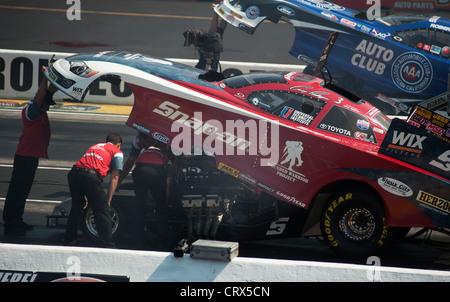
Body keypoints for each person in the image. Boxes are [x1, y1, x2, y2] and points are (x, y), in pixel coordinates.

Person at [3, 66, 57, 236]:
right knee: (17, 190)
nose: (49, 106)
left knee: (24, 190)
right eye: (47, 103)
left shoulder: (41, 113)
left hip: (31, 157)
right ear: (43, 103)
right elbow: (41, 95)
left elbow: (49, 92)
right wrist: (45, 78)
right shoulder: (31, 111)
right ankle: (10, 223)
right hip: (24, 157)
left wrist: (55, 77)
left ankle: (17, 219)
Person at [64, 133, 123, 248]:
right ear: (119, 145)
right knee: (102, 210)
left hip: (74, 173)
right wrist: (108, 201)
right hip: (90, 177)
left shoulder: (95, 146)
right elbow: (115, 177)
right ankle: (108, 245)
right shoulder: (116, 151)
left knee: (77, 205)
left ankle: (70, 241)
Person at [131, 138, 173, 248]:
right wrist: (162, 200)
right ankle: (162, 240)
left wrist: (151, 198)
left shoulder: (144, 151)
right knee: (161, 209)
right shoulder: (167, 158)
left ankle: (137, 240)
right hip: (157, 171)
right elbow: (167, 183)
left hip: (139, 169)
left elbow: (146, 183)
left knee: (139, 206)